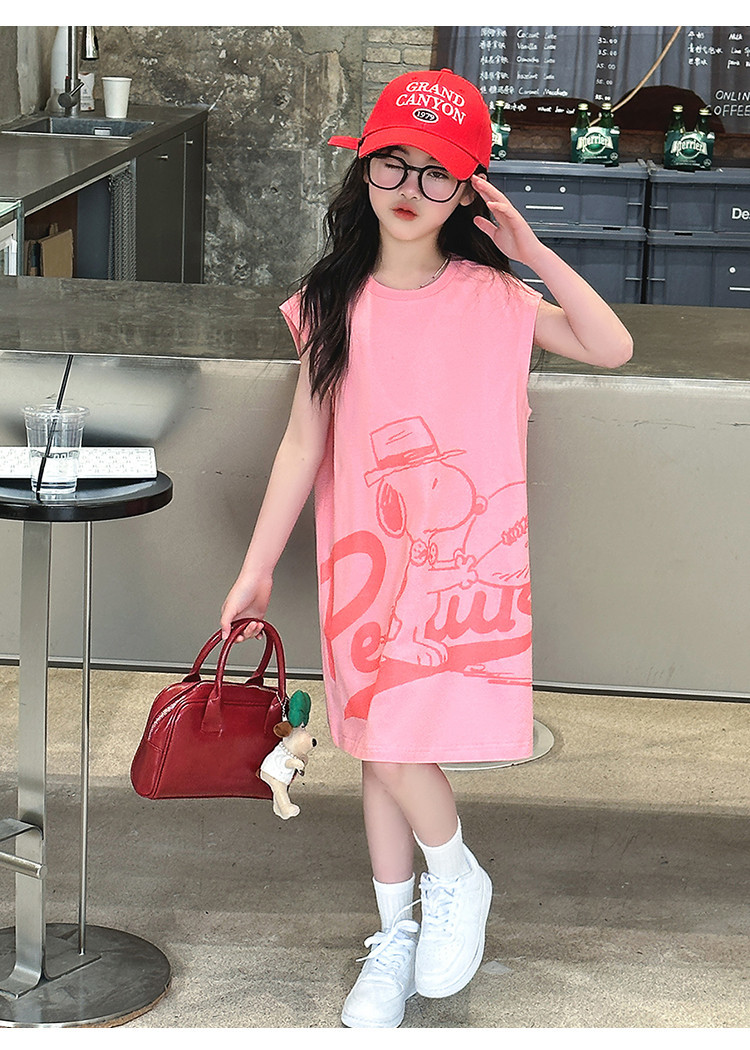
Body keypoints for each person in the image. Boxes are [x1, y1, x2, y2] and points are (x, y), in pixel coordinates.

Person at [220, 68, 632, 1028]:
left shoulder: (496, 297)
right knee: (377, 747)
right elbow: (302, 444)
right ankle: (396, 939)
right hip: (362, 568)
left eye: (436, 172)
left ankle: (455, 875)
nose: (409, 188)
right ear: (362, 169)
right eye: (392, 164)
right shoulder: (330, 300)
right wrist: (255, 567)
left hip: (460, 575)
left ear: (468, 190)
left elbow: (610, 345)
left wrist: (531, 248)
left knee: (396, 745)